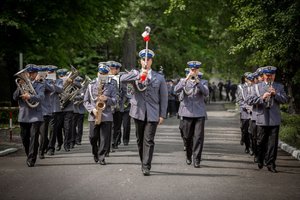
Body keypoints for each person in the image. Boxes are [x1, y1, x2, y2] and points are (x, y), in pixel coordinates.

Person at [120, 49, 168, 176]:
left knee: (149, 140)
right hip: (138, 112)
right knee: (139, 140)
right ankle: (143, 161)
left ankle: (146, 165)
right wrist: (139, 75)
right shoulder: (134, 74)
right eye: (143, 60)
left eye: (148, 60)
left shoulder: (159, 77)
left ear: (151, 61)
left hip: (153, 113)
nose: (145, 62)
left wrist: (162, 114)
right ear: (140, 61)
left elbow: (164, 97)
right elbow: (121, 79)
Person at [247, 66, 288, 173]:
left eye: (271, 75)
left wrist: (276, 94)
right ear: (264, 76)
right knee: (261, 141)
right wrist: (262, 98)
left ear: (274, 76)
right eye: (267, 75)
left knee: (273, 143)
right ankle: (260, 158)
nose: (269, 77)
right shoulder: (257, 87)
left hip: (274, 118)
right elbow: (249, 100)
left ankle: (271, 163)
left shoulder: (279, 86)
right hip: (262, 117)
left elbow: (284, 99)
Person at [174, 61, 209, 168]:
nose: (194, 71)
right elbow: (175, 90)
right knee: (187, 137)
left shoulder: (203, 81)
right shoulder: (183, 81)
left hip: (199, 114)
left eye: (196, 70)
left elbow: (206, 93)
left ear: (198, 70)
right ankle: (189, 155)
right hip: (187, 113)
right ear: (189, 70)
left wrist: (197, 81)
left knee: (198, 137)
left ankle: (197, 159)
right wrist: (187, 78)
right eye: (192, 70)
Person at [83, 63, 117, 165]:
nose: (102, 75)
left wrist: (107, 99)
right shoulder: (91, 84)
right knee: (92, 137)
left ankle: (102, 156)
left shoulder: (112, 85)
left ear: (107, 74)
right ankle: (95, 153)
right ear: (98, 73)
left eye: (105, 73)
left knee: (104, 138)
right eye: (101, 73)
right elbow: (85, 101)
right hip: (94, 115)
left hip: (106, 116)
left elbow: (115, 100)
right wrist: (92, 110)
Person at [13, 64, 45, 167]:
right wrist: (20, 88)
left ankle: (31, 159)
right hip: (23, 116)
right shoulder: (21, 84)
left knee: (34, 138)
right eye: (28, 73)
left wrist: (30, 96)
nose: (30, 75)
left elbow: (41, 97)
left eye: (32, 73)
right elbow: (14, 97)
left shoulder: (40, 84)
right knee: (25, 138)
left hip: (35, 115)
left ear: (36, 74)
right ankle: (29, 154)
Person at [47, 67, 64, 155]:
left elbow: (60, 90)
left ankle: (51, 148)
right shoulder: (43, 80)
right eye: (49, 72)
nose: (50, 73)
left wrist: (53, 83)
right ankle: (45, 145)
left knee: (53, 129)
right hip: (44, 109)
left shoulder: (59, 81)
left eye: (52, 72)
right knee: (42, 130)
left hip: (54, 108)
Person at [237, 72, 252, 154]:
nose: (249, 79)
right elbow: (239, 100)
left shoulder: (255, 86)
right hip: (245, 112)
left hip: (255, 112)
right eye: (248, 78)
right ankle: (247, 146)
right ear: (245, 78)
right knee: (245, 130)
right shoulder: (241, 87)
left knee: (253, 131)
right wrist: (246, 107)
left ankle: (252, 147)